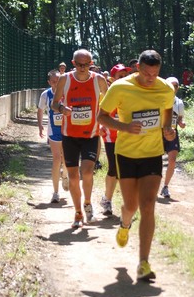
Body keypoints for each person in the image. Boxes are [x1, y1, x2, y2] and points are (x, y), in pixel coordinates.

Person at [97, 50, 175, 281]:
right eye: (147, 73)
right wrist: (124, 127)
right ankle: (124, 223)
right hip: (126, 154)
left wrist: (167, 128)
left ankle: (144, 263)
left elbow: (168, 111)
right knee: (130, 206)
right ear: (137, 68)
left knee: (149, 204)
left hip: (152, 153)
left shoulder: (165, 88)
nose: (151, 78)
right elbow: (101, 116)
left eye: (155, 73)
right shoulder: (120, 87)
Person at [52, 48, 107, 228]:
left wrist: (108, 120)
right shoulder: (64, 79)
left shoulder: (98, 80)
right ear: (73, 63)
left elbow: (109, 101)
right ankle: (77, 212)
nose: (83, 68)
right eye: (79, 65)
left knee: (88, 172)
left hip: (91, 135)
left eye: (87, 65)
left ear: (91, 64)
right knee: (74, 176)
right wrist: (62, 109)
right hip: (69, 136)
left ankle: (88, 203)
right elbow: (54, 104)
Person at [100, 64, 132, 216]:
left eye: (126, 75)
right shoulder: (107, 95)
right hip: (111, 137)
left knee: (125, 171)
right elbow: (99, 113)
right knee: (114, 168)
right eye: (120, 76)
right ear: (112, 79)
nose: (124, 78)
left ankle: (129, 203)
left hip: (128, 137)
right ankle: (107, 199)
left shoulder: (132, 94)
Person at [37, 69, 69, 203]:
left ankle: (65, 175)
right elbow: (40, 110)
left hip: (67, 130)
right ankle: (55, 192)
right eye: (54, 82)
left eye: (59, 81)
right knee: (57, 159)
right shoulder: (46, 95)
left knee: (66, 160)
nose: (56, 84)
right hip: (53, 131)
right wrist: (40, 125)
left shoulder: (67, 92)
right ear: (49, 82)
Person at [160, 76, 186, 199]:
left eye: (175, 86)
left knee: (172, 160)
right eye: (170, 85)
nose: (173, 88)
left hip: (173, 133)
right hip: (158, 133)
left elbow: (180, 118)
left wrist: (181, 123)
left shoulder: (179, 102)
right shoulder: (158, 99)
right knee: (155, 161)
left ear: (177, 88)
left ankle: (165, 186)